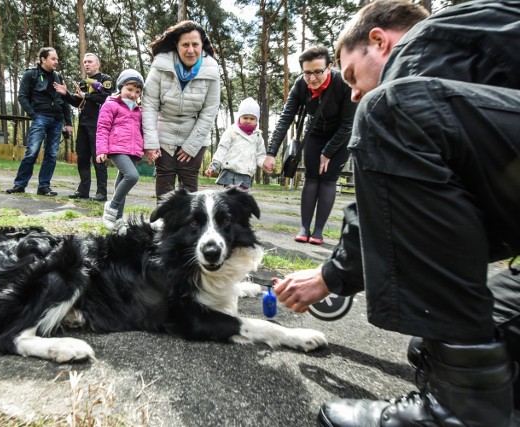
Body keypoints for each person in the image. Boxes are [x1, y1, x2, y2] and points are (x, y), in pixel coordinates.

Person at [273, 1, 520, 426]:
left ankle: (458, 415)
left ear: (379, 41)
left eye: (351, 75)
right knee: (441, 350)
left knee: (389, 108)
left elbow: (386, 196)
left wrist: (330, 277)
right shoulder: (468, 66)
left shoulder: (431, 43)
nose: (351, 92)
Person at [263, 46, 356, 245]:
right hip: (314, 134)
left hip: (340, 136)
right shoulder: (301, 85)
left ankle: (319, 230)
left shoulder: (343, 83)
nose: (312, 78)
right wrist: (271, 152)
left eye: (317, 72)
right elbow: (285, 119)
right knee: (312, 178)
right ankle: (304, 227)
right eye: (307, 73)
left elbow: (349, 124)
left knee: (328, 180)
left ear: (329, 67)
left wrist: (328, 152)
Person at [142, 20, 221, 203]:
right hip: (164, 129)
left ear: (202, 45)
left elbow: (209, 111)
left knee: (189, 185)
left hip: (194, 132)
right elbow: (149, 105)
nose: (190, 50)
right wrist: (151, 142)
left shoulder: (212, 71)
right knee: (165, 179)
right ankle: (163, 224)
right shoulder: (160, 66)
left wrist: (191, 145)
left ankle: (188, 227)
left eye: (195, 44)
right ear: (176, 46)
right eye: (185, 44)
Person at [7, 47, 73, 196]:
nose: (56, 61)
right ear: (43, 59)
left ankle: (44, 187)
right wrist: (33, 115)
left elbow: (65, 101)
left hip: (57, 120)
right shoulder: (31, 75)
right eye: (53, 59)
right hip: (40, 118)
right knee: (32, 152)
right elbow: (22, 96)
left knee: (51, 155)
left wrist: (68, 123)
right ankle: (19, 185)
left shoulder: (58, 76)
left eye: (57, 59)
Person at [54, 53, 114, 201]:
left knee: (98, 159)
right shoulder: (82, 83)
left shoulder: (106, 79)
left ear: (97, 65)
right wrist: (65, 94)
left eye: (90, 62)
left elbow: (106, 97)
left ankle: (101, 193)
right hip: (83, 125)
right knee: (82, 158)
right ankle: (83, 191)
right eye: (84, 62)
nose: (86, 64)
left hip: (99, 126)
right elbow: (77, 102)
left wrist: (86, 96)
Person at [95, 69, 145, 235]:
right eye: (129, 90)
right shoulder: (111, 104)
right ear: (121, 87)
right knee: (132, 176)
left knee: (120, 184)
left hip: (133, 151)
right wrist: (101, 149)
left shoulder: (139, 110)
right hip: (116, 148)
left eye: (137, 92)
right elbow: (102, 127)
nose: (133, 94)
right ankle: (112, 207)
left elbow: (142, 131)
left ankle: (117, 221)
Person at [204, 97, 266, 190]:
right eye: (245, 117)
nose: (248, 121)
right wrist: (214, 166)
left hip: (246, 174)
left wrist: (264, 164)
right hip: (231, 172)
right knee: (229, 199)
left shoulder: (257, 136)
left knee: (242, 200)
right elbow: (222, 149)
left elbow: (260, 154)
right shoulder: (231, 131)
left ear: (256, 120)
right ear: (239, 117)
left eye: (252, 118)